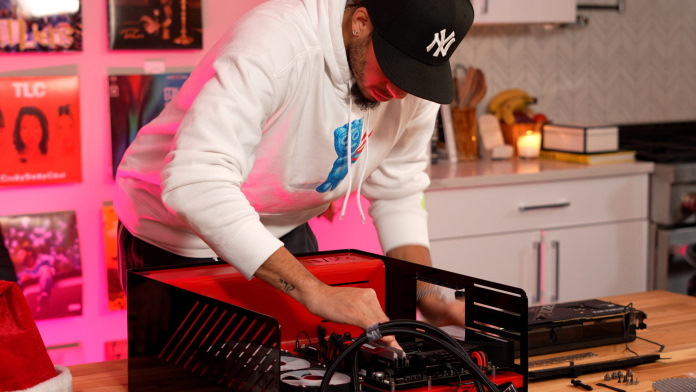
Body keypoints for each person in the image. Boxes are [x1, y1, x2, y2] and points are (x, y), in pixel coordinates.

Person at [115, 0, 475, 346]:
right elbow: (196, 183)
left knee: (304, 371)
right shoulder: (274, 42)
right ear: (360, 23)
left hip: (284, 230)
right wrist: (314, 290)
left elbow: (399, 189)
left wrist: (427, 293)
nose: (399, 92)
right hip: (173, 238)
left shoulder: (412, 86)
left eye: (415, 77)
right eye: (395, 68)